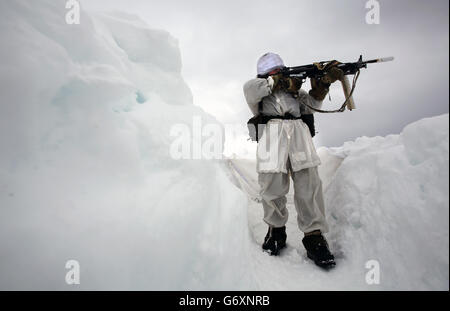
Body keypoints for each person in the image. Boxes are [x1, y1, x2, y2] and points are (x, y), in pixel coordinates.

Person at [243, 52, 344, 269]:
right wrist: (280, 81)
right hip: (271, 134)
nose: (275, 69)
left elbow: (313, 104)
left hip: (298, 132)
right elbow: (252, 89)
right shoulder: (256, 88)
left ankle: (314, 237)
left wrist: (322, 85)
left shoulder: (296, 92)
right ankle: (276, 231)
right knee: (272, 187)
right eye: (270, 67)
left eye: (278, 66)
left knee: (309, 185)